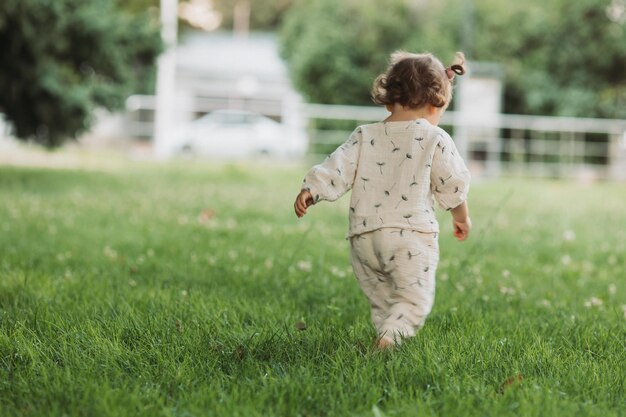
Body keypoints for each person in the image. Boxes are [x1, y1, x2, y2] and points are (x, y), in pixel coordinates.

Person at [293, 51, 471, 349]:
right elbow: (452, 184)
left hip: (364, 238)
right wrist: (461, 218)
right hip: (410, 238)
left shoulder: (365, 135)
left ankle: (385, 338)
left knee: (384, 301)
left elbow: (338, 166)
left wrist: (312, 189)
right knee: (413, 301)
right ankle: (388, 342)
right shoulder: (434, 138)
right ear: (434, 104)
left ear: (389, 99)